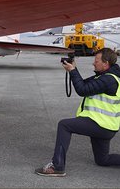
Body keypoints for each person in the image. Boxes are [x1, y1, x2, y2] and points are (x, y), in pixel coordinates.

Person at [35, 48, 120, 177]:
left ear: (106, 63)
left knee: (64, 125)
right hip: (106, 126)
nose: (93, 63)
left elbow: (82, 90)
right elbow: (84, 83)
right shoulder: (106, 76)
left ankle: (57, 166)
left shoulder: (109, 80)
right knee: (102, 160)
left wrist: (73, 71)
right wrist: (73, 69)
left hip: (101, 124)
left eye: (96, 61)